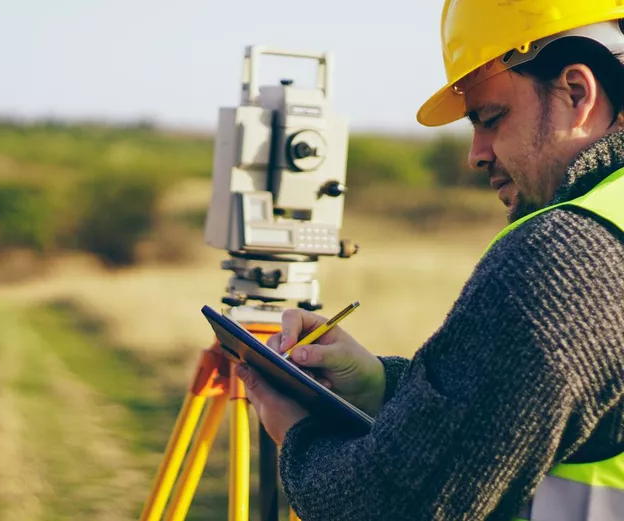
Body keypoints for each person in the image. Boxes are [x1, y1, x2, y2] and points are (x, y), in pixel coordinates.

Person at [235, 2, 624, 520]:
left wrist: (301, 433)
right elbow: (546, 416)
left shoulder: (565, 259)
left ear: (576, 94)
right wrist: (382, 386)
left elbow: (397, 506)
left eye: (490, 118)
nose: (476, 153)